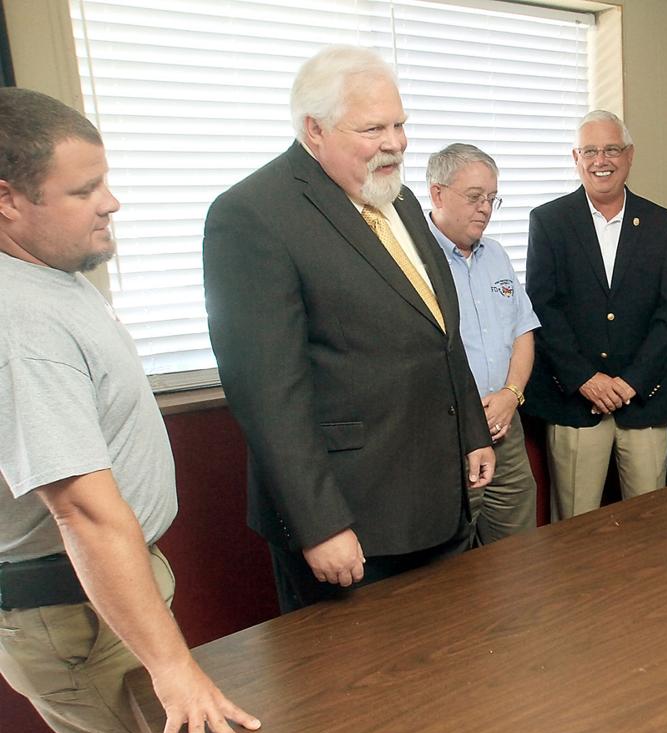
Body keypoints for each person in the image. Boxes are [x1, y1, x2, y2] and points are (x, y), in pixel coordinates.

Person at [0, 88, 258, 733]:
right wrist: (175, 669)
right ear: (8, 201)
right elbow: (79, 510)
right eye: (84, 190)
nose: (110, 202)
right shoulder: (20, 326)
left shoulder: (49, 273)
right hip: (69, 601)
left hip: (94, 592)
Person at [203, 45, 494, 613]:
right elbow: (268, 395)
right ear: (314, 129)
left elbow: (437, 331)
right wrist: (320, 525)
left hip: (440, 503)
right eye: (373, 128)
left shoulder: (400, 198)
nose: (396, 142)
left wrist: (472, 432)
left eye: (400, 124)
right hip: (353, 523)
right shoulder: (252, 215)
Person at [524, 111, 667, 520]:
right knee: (574, 527)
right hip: (576, 401)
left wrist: (631, 382)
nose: (602, 160)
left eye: (611, 149)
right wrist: (585, 379)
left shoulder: (661, 223)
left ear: (629, 156)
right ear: (576, 158)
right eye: (590, 151)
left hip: (643, 399)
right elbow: (543, 308)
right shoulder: (549, 221)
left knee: (648, 525)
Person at [426, 143, 540, 542]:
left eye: (492, 198)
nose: (485, 208)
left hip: (504, 422)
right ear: (437, 193)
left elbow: (522, 331)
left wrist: (512, 394)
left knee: (518, 550)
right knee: (450, 558)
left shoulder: (496, 256)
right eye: (475, 197)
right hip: (447, 433)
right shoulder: (415, 261)